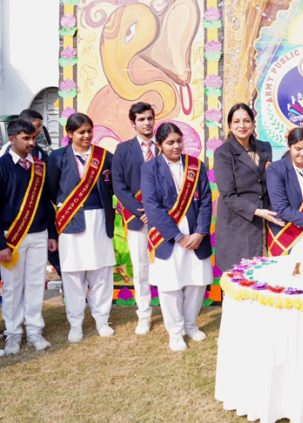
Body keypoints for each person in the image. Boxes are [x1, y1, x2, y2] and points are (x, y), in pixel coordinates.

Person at [141, 123, 212, 352]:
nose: (176, 146)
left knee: (196, 281)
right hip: (169, 236)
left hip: (195, 234)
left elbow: (205, 202)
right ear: (160, 145)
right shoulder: (151, 169)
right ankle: (175, 331)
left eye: (179, 141)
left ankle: (190, 324)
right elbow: (152, 206)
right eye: (170, 142)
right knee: (170, 284)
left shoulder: (195, 166)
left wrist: (200, 232)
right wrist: (178, 236)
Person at [47, 113, 116, 343]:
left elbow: (114, 187)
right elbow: (51, 191)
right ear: (69, 134)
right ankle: (75, 323)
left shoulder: (104, 157)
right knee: (73, 275)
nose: (86, 136)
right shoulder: (57, 158)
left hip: (99, 220)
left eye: (89, 131)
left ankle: (102, 320)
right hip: (70, 222)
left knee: (101, 273)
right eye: (80, 132)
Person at [0, 119, 57, 354]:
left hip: (39, 234)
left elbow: (46, 202)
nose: (32, 142)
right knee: (12, 287)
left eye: (33, 138)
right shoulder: (2, 166)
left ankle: (34, 330)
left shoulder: (39, 167)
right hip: (11, 238)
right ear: (12, 139)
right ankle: (13, 333)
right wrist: (0, 244)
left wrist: (52, 233)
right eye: (26, 138)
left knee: (35, 284)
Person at [213, 103, 282, 271]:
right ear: (229, 125)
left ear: (253, 123)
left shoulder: (264, 147)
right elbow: (228, 196)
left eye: (246, 121)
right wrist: (257, 211)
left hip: (263, 224)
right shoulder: (223, 153)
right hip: (236, 224)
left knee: (261, 276)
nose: (242, 126)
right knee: (238, 279)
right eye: (236, 121)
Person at [112, 102, 157, 335]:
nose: (146, 122)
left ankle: (174, 311)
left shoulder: (166, 146)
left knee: (170, 265)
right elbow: (119, 187)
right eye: (141, 119)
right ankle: (144, 314)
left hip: (166, 219)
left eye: (149, 118)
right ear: (133, 123)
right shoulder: (122, 150)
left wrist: (158, 213)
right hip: (138, 219)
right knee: (140, 268)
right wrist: (142, 210)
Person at [266, 127, 303, 256]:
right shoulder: (276, 169)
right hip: (286, 235)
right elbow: (280, 208)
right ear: (289, 146)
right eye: (298, 149)